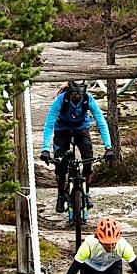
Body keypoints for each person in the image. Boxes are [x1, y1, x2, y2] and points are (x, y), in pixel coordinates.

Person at [38, 78, 113, 213]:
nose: (77, 97)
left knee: (88, 161)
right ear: (70, 92)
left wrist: (108, 147)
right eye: (74, 94)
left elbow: (101, 121)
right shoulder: (60, 100)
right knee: (60, 166)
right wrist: (45, 149)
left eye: (79, 94)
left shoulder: (88, 100)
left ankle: (87, 193)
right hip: (62, 129)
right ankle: (61, 195)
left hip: (81, 128)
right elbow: (49, 124)